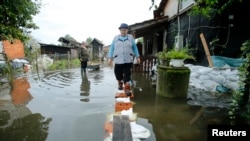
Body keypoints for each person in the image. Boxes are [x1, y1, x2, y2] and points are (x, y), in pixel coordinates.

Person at [108, 23, 140, 96]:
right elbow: (112, 48)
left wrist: (138, 57)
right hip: (118, 60)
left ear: (127, 30)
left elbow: (135, 47)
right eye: (122, 30)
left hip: (128, 60)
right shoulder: (115, 38)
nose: (123, 31)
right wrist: (110, 58)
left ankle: (127, 88)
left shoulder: (130, 38)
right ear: (120, 30)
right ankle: (120, 83)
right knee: (117, 73)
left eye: (125, 30)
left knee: (127, 74)